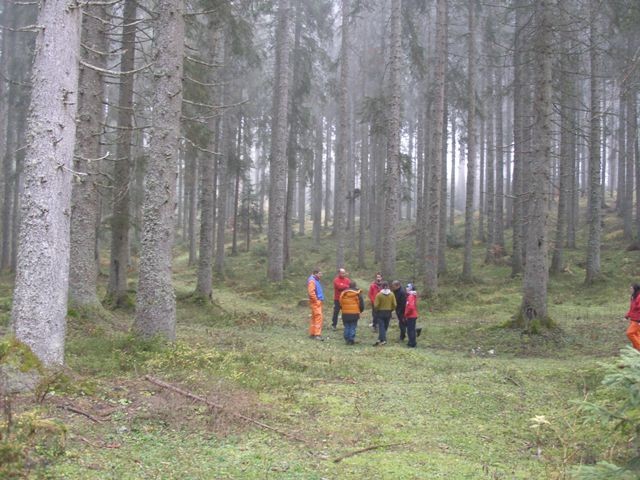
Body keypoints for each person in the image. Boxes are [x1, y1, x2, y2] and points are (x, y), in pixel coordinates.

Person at [339, 280, 365, 345]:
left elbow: (340, 303)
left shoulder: (343, 293)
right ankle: (351, 339)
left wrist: (343, 309)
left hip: (345, 313)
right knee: (353, 326)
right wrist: (360, 310)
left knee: (347, 326)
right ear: (355, 286)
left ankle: (347, 339)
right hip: (354, 313)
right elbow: (361, 304)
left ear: (349, 286)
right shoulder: (357, 294)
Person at [373, 281, 396, 346]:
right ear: (388, 286)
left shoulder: (379, 294)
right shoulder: (392, 294)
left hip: (380, 312)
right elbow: (394, 304)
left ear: (381, 287)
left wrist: (376, 310)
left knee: (381, 327)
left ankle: (383, 340)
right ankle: (380, 339)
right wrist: (392, 309)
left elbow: (376, 305)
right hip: (388, 312)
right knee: (385, 326)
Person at [307, 268, 325, 340]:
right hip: (316, 302)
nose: (321, 275)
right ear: (315, 273)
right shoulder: (312, 280)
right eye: (320, 273)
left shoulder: (315, 280)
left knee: (314, 317)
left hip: (316, 301)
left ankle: (312, 333)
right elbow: (311, 292)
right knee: (318, 317)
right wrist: (316, 301)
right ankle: (317, 334)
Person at [625, 283, 640, 350]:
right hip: (633, 319)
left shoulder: (639, 297)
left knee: (629, 333)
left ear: (635, 289)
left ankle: (639, 347)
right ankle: (637, 351)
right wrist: (627, 316)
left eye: (631, 288)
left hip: (637, 320)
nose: (630, 289)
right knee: (636, 335)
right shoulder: (633, 296)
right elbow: (632, 308)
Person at [404, 283, 419, 348]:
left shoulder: (410, 296)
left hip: (411, 316)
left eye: (407, 287)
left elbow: (411, 307)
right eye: (406, 287)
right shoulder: (411, 295)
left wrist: (406, 314)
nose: (406, 288)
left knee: (410, 330)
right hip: (412, 315)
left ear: (410, 288)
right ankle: (411, 342)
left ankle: (412, 343)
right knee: (411, 329)